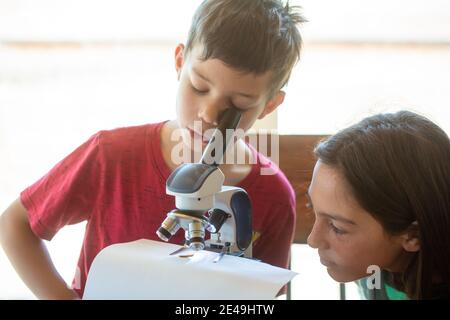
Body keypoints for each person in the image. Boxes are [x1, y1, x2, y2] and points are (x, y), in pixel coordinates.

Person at [0, 0, 306, 299]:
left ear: (269, 105)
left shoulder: (274, 196)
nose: (209, 115)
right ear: (179, 62)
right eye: (199, 87)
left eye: (238, 104)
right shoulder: (112, 155)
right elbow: (15, 225)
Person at [307, 110, 450, 299]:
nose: (313, 240)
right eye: (313, 209)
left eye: (337, 228)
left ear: (413, 236)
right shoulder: (377, 265)